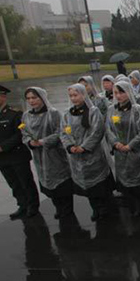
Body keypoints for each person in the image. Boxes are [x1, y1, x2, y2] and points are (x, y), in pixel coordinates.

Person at [0, 82, 40, 219]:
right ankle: (22, 205)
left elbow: (20, 134)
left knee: (25, 182)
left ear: (3, 97)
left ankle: (33, 206)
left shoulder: (15, 114)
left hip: (17, 155)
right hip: (1, 157)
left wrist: (2, 147)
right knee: (13, 183)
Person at [60, 83, 115, 221]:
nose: (73, 98)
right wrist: (70, 146)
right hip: (76, 156)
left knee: (99, 184)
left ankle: (105, 208)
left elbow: (97, 131)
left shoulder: (93, 111)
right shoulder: (67, 114)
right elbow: (63, 132)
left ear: (83, 95)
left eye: (76, 95)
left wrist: (84, 147)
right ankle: (95, 208)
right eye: (71, 95)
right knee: (88, 186)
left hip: (93, 154)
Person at [22, 87, 74, 219]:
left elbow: (61, 132)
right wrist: (30, 142)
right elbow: (24, 133)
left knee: (61, 183)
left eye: (34, 97)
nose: (31, 101)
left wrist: (44, 141)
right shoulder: (26, 115)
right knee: (47, 182)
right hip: (39, 156)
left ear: (42, 98)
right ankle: (58, 207)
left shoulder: (53, 113)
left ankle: (67, 209)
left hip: (55, 154)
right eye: (28, 98)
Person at [105, 81, 140, 217]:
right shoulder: (112, 110)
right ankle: (135, 205)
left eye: (122, 92)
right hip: (121, 152)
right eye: (116, 93)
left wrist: (130, 145)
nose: (119, 95)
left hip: (137, 151)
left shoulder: (138, 110)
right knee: (127, 180)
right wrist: (116, 143)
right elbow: (108, 129)